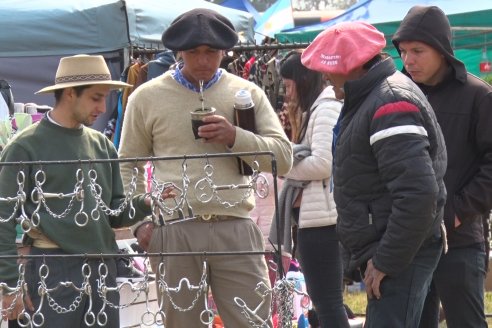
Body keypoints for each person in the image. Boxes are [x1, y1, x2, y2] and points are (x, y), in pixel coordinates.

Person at [118, 8, 292, 328]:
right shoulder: (146, 97)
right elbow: (126, 165)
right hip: (175, 228)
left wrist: (234, 137)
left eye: (211, 52)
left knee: (253, 322)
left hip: (236, 226)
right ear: (178, 52)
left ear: (224, 52)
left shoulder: (247, 93)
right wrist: (140, 222)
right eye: (193, 52)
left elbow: (283, 158)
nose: (202, 60)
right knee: (182, 324)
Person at [0, 54, 173, 327]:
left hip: (102, 270)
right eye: (95, 98)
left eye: (105, 98)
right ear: (69, 93)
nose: (103, 107)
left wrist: (146, 202)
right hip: (51, 268)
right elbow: (3, 220)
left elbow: (114, 214)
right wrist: (9, 285)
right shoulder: (24, 147)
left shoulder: (102, 146)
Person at [301, 21, 448, 327]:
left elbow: (418, 194)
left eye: (328, 68)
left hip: (401, 251)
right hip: (402, 245)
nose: (324, 77)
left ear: (352, 65)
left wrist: (386, 261)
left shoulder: (388, 101)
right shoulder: (374, 96)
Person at [392, 5, 492, 328]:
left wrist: (458, 211)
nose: (408, 60)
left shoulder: (479, 96)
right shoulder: (396, 93)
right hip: (411, 242)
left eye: (418, 51)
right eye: (403, 51)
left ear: (441, 49)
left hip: (460, 241)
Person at [275, 51, 349, 327]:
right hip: (318, 218)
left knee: (327, 302)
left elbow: (323, 163)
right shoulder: (318, 108)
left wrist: (284, 167)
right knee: (326, 302)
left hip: (323, 222)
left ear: (302, 80)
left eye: (288, 83)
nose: (286, 91)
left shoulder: (326, 107)